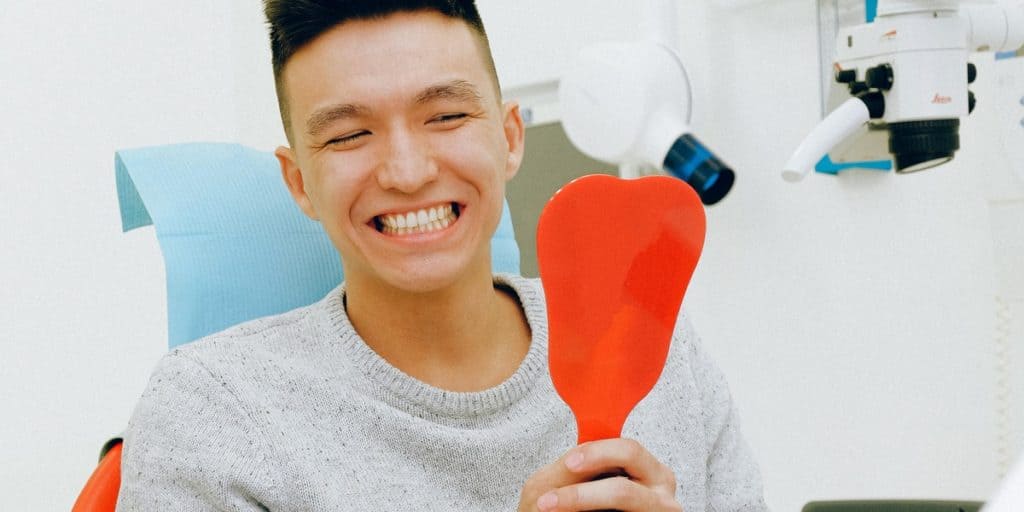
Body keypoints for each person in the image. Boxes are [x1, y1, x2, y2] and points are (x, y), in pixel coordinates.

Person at [116, 1, 769, 510]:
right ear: (298, 184)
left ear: (510, 139)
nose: (406, 171)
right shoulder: (214, 412)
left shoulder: (661, 357)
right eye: (349, 134)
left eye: (447, 117)